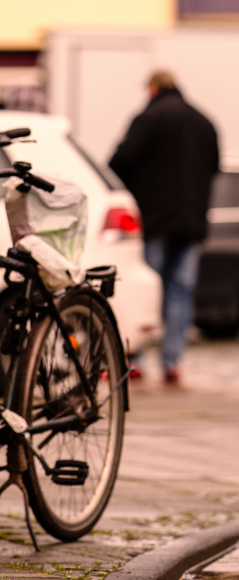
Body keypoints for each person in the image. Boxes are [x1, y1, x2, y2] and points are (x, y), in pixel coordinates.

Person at [109, 70, 219, 386]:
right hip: (192, 222)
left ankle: (136, 359)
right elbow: (213, 167)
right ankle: (172, 362)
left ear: (153, 88)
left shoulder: (148, 118)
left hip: (153, 220)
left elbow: (120, 162)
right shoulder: (204, 121)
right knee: (180, 290)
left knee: (146, 286)